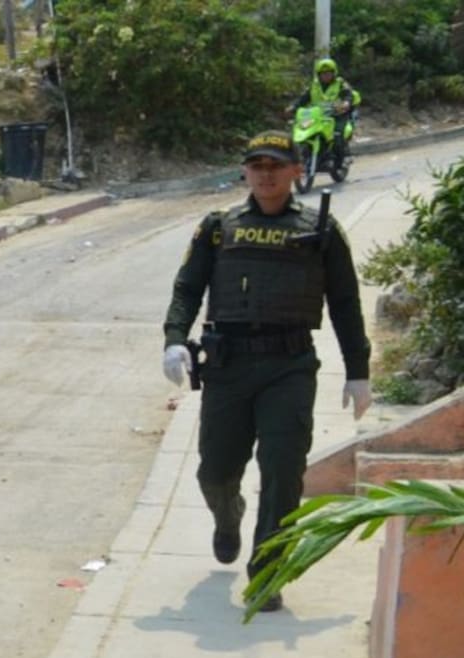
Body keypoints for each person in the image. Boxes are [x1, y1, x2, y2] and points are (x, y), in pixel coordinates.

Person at [161, 131, 372, 612]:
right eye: (257, 165)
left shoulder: (321, 231)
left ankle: (268, 571)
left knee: (282, 468)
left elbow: (344, 302)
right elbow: (186, 288)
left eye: (276, 165)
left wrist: (357, 370)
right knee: (215, 471)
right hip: (228, 367)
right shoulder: (219, 227)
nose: (266, 173)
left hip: (289, 367)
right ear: (245, 172)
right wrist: (174, 340)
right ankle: (227, 512)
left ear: (297, 171)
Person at [288, 58, 358, 165]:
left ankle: (343, 157)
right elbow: (303, 98)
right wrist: (293, 106)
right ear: (318, 74)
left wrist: (346, 103)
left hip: (337, 114)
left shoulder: (340, 83)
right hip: (318, 116)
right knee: (306, 131)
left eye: (329, 73)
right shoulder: (314, 85)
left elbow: (348, 94)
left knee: (337, 134)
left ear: (334, 73)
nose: (326, 76)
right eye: (323, 73)